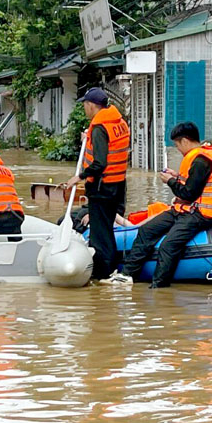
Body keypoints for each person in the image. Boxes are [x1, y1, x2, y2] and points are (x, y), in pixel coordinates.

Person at [122, 122, 212, 289]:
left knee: (169, 245)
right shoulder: (200, 157)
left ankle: (159, 286)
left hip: (202, 214)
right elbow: (194, 184)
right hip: (187, 209)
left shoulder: (202, 160)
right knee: (146, 230)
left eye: (176, 145)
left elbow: (189, 193)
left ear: (185, 141)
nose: (178, 149)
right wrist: (177, 178)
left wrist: (171, 181)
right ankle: (127, 276)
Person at [64, 88, 130, 282]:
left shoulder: (100, 127)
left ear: (91, 105)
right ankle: (110, 268)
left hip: (102, 187)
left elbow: (99, 162)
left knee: (100, 233)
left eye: (85, 105)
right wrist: (89, 138)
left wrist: (80, 177)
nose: (84, 108)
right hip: (117, 185)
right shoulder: (118, 122)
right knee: (107, 228)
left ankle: (103, 272)